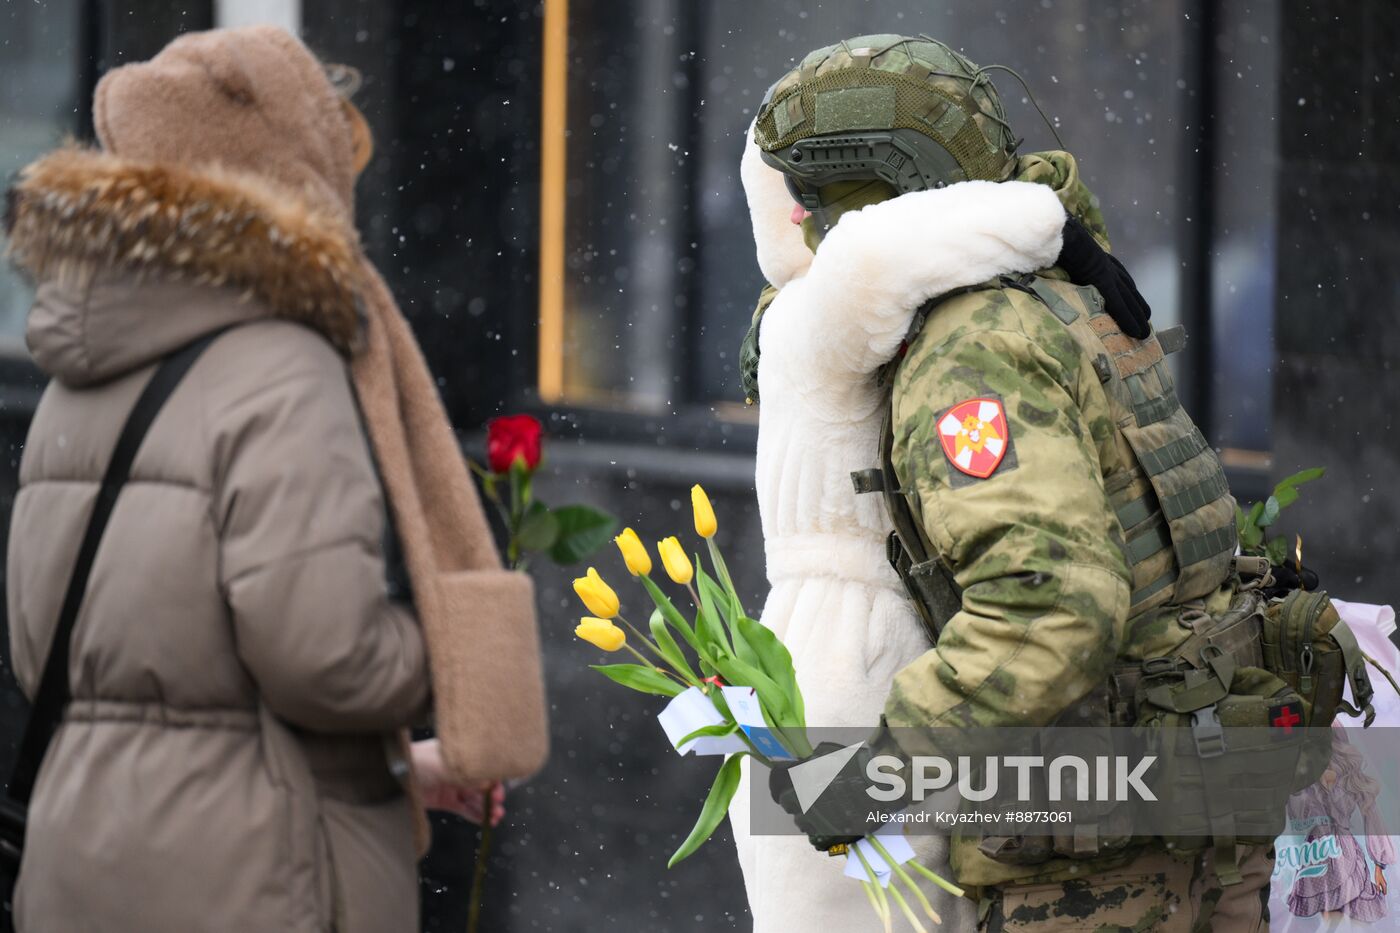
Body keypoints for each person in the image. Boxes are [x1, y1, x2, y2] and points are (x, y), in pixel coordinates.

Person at [739, 34, 1269, 931]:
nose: (799, 221)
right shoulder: (1067, 286)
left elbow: (1049, 605)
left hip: (1101, 855)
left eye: (809, 195)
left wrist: (878, 773)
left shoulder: (972, 344)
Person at [3, 26, 512, 933]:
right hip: (251, 874)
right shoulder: (283, 367)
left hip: (86, 857)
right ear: (293, 163)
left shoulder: (77, 373)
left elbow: (77, 658)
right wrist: (441, 647)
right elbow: (323, 659)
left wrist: (401, 766)